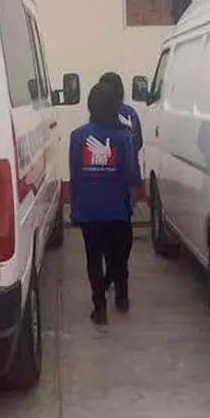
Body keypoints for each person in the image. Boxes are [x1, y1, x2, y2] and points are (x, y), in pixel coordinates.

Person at [69, 82, 137, 325]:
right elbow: (129, 174)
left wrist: (75, 209)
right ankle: (122, 298)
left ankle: (100, 308)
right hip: (117, 209)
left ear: (90, 105)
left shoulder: (77, 136)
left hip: (89, 210)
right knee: (119, 256)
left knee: (93, 258)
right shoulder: (123, 137)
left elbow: (75, 175)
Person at [99, 72, 143, 302]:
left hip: (109, 182)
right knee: (124, 233)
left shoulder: (99, 117)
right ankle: (120, 285)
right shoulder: (131, 114)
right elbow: (138, 143)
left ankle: (112, 275)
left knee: (109, 236)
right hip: (128, 181)